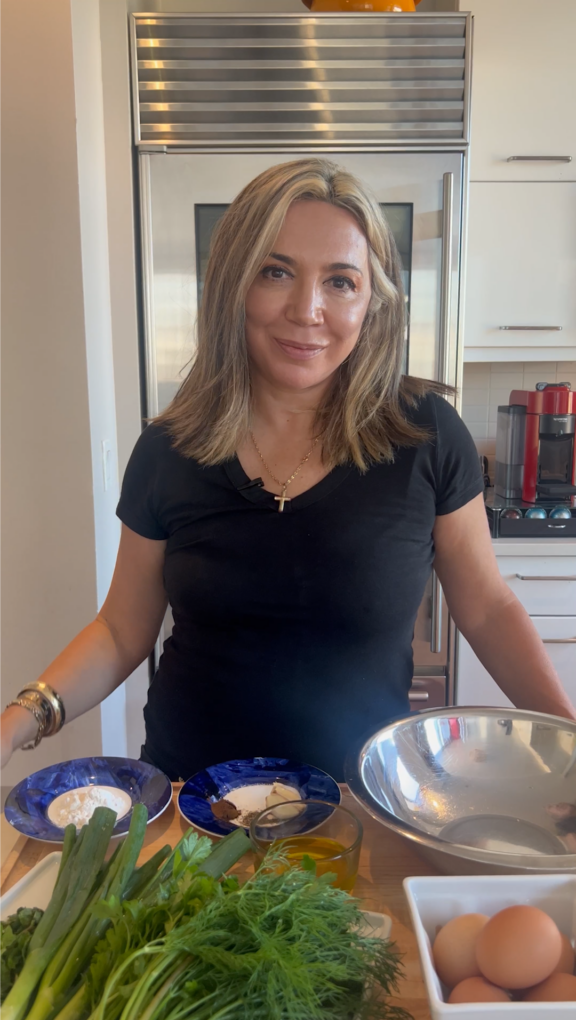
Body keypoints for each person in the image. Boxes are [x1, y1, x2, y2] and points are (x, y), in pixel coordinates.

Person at [2, 159, 574, 782]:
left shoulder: (427, 434)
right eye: (276, 272)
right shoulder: (169, 448)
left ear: (370, 304)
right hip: (192, 810)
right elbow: (119, 630)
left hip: (359, 811)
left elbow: (487, 608)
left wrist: (565, 743)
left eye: (340, 281)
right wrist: (23, 717)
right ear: (234, 284)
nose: (307, 310)